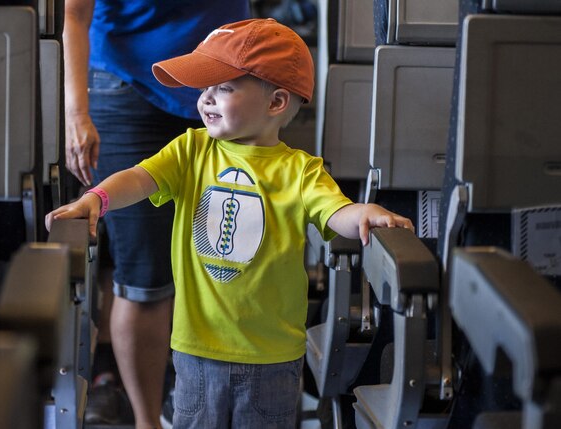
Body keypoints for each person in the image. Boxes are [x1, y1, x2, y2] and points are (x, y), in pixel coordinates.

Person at [48, 18, 414, 428]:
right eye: (205, 89)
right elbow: (139, 177)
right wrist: (98, 198)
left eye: (223, 88)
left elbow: (334, 211)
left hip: (271, 358)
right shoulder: (191, 150)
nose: (206, 99)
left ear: (275, 103)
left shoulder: (300, 170)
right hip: (196, 349)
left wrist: (363, 213)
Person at [61, 0, 250, 427]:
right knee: (146, 272)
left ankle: (199, 406)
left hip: (228, 86)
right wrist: (76, 113)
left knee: (226, 264)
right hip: (131, 90)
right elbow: (74, 13)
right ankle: (148, 421)